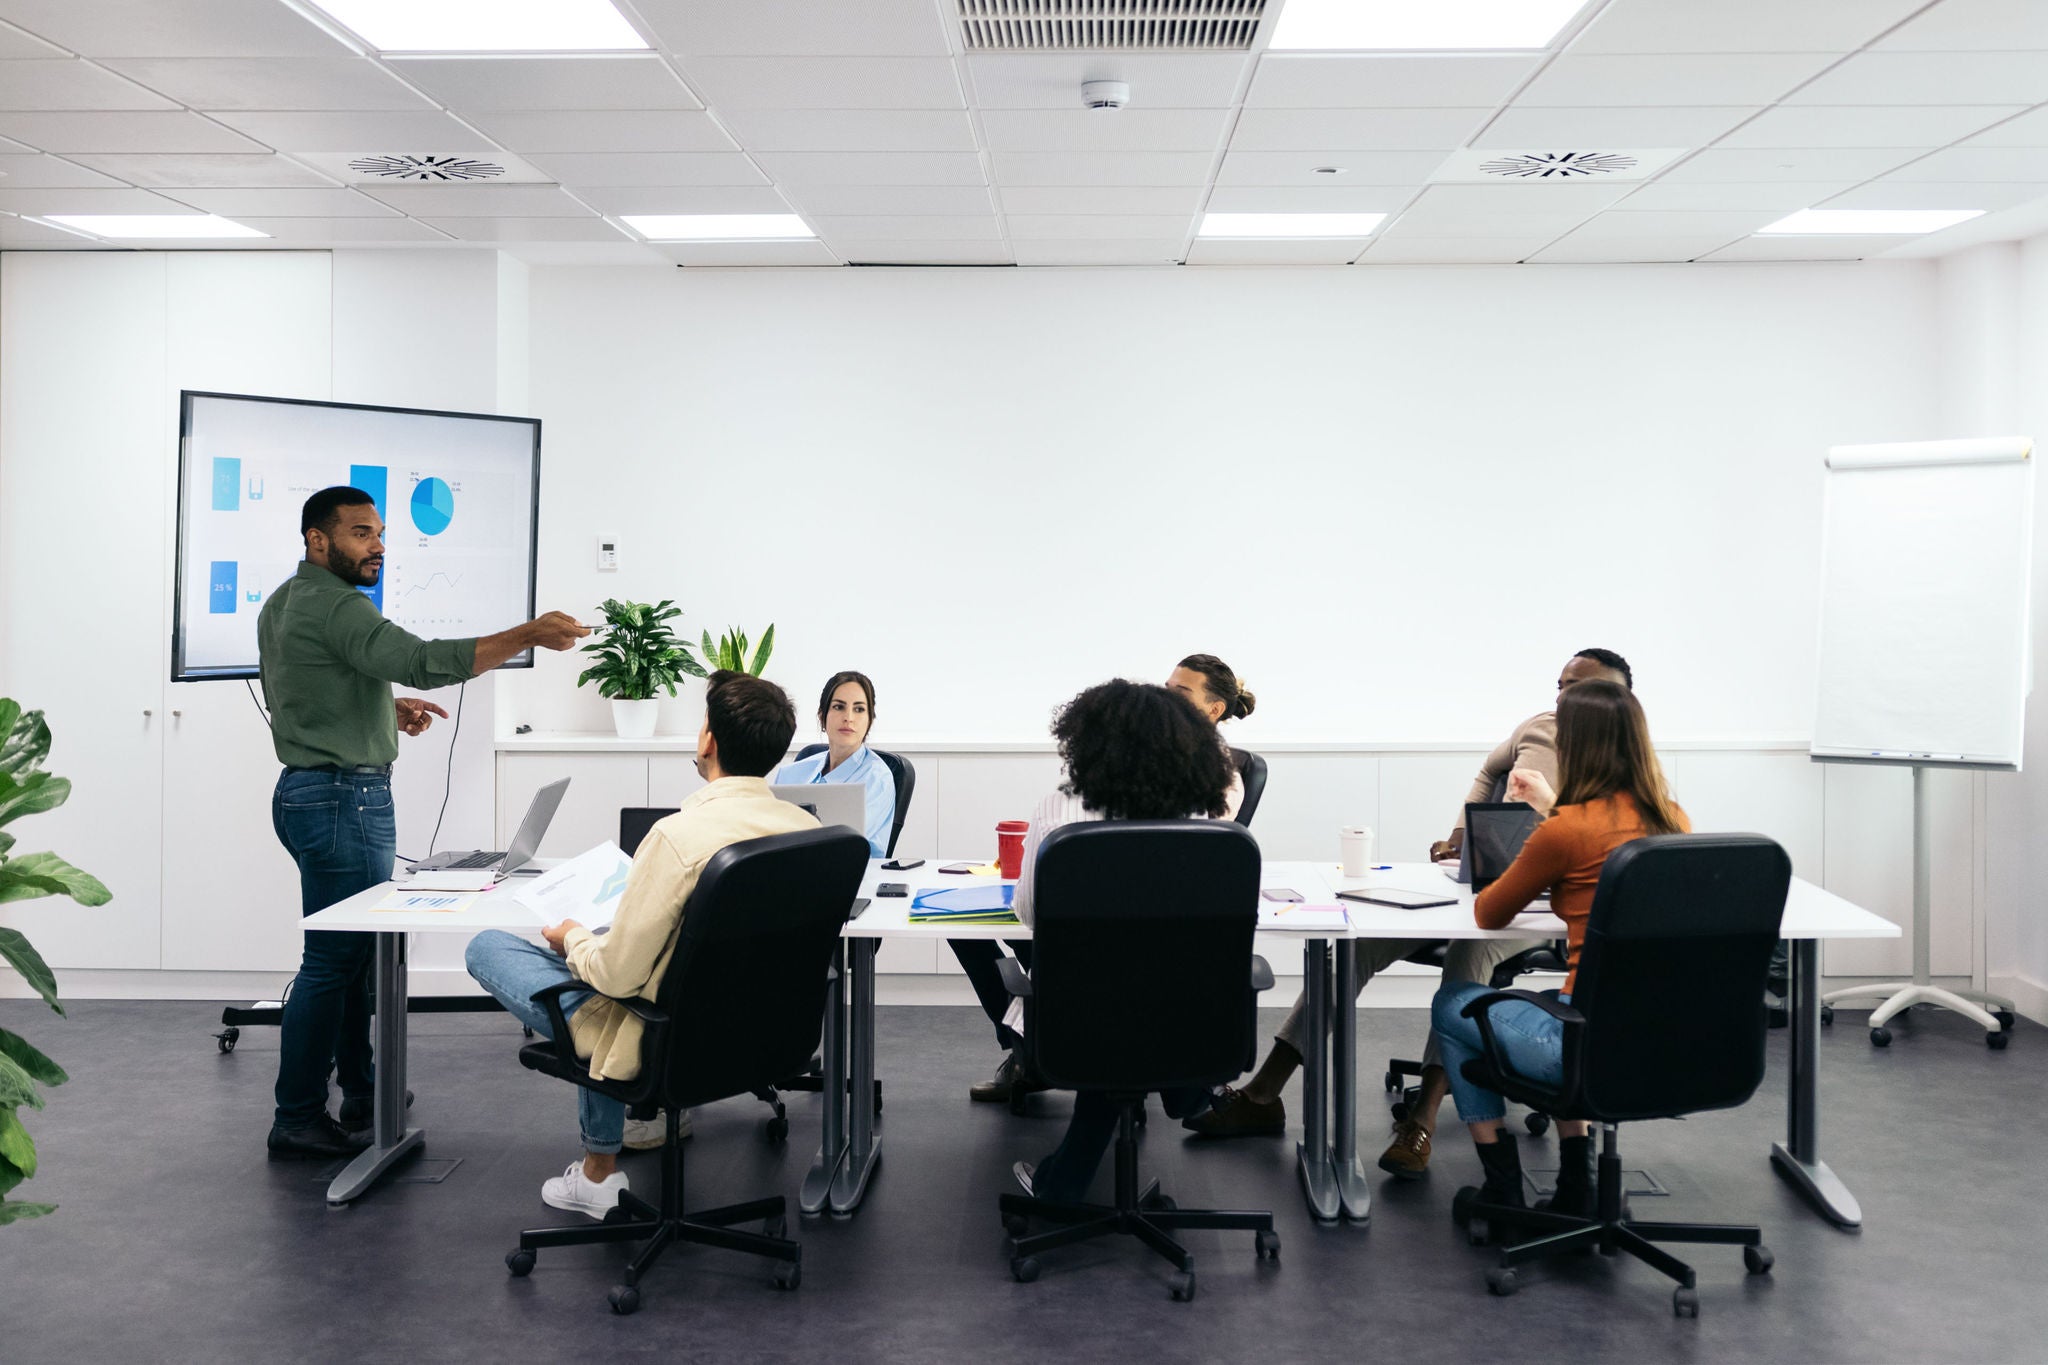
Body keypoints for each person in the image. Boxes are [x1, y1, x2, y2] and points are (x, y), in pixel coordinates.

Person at [1184, 647, 1634, 1146]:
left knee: (1472, 949)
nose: (1566, 700)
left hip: (1537, 908)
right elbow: (1491, 772)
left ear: (1619, 704)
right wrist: (1464, 835)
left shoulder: (1624, 771)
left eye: (1583, 690)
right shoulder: (1539, 728)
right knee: (1358, 945)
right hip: (1495, 880)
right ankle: (1265, 1092)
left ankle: (1421, 1116)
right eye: (1562, 687)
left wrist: (1536, 836)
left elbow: (1558, 860)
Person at [261, 486, 588, 1159]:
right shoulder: (340, 604)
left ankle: (359, 1088)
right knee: (332, 960)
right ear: (316, 540)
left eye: (379, 532)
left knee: (353, 953)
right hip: (341, 799)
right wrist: (527, 633)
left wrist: (384, 710)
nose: (377, 544)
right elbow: (420, 659)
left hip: (309, 792)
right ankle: (296, 1113)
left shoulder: (283, 602)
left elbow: (311, 689)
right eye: (359, 533)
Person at [464, 671, 817, 1219]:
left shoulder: (678, 836)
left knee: (491, 946)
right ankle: (611, 1155)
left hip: (662, 1037)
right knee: (605, 965)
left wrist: (573, 938)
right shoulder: (805, 831)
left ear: (709, 741)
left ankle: (597, 1178)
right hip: (757, 1035)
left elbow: (618, 978)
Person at [1432, 678, 1689, 1220]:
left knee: (1456, 1003)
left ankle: (1502, 1186)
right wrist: (1553, 808)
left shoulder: (1565, 832)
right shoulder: (1673, 818)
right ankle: (1579, 1182)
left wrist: (1550, 821)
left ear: (1575, 746)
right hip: (1662, 1043)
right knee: (1557, 997)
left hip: (1580, 1050)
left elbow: (1488, 912)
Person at [958, 652, 1254, 1105]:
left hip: (1084, 1004)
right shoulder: (1199, 800)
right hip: (1178, 999)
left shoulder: (1061, 804)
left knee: (1060, 956)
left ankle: (1035, 1065)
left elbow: (1030, 912)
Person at [1008, 679, 1236, 1203]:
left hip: (1079, 1019)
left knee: (1109, 1014)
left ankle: (1061, 1187)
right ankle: (1069, 1180)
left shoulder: (1059, 809)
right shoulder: (1203, 816)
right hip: (1185, 1020)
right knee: (1142, 1012)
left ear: (1086, 741)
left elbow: (1030, 914)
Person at [778, 671, 896, 858]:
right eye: (839, 707)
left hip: (852, 878)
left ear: (870, 720)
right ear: (822, 716)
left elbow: (848, 846)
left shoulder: (877, 778)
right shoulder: (790, 774)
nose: (848, 717)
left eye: (859, 709)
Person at [1164, 653, 1254, 821]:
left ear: (1214, 710)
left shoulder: (1220, 775)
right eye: (1168, 689)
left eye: (1181, 693)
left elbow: (1197, 839)